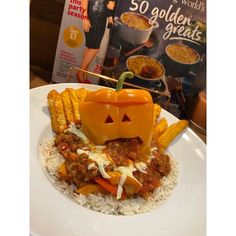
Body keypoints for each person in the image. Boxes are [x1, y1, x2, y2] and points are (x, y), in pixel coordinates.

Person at [77, 0, 116, 83]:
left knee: (89, 47)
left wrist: (110, 15)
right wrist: (84, 18)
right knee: (94, 48)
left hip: (101, 19)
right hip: (92, 17)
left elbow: (108, 3)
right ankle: (80, 72)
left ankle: (83, 73)